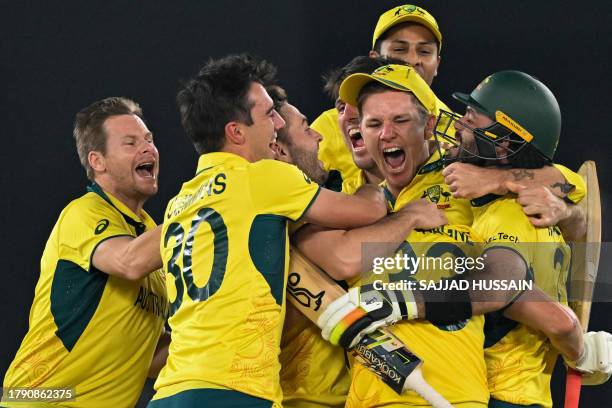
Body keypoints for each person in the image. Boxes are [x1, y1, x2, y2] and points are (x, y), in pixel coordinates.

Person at [316, 66, 612, 406]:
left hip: (491, 392)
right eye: (373, 123)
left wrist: (500, 183)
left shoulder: (477, 197)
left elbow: (512, 283)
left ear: (425, 127)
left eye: (399, 120)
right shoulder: (361, 201)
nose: (456, 123)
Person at [148, 54, 389, 408]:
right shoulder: (263, 179)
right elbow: (367, 214)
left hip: (171, 391)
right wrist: (379, 186)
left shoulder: (179, 203)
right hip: (233, 391)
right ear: (236, 131)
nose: (276, 123)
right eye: (266, 114)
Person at [2, 97, 169, 407]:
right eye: (130, 143)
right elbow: (128, 261)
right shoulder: (83, 213)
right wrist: (204, 205)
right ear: (98, 161)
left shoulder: (152, 238)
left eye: (149, 140)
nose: (148, 149)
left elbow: (148, 357)